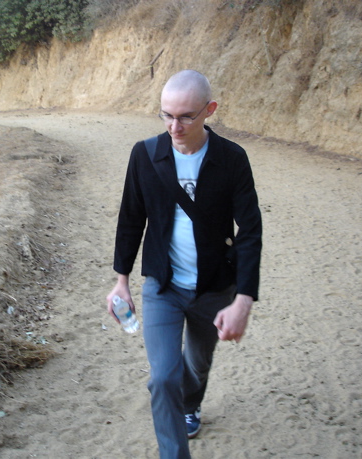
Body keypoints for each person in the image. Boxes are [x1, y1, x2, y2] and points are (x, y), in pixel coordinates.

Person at [106, 70, 262, 459]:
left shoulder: (231, 159)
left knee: (196, 365)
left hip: (214, 287)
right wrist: (121, 281)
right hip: (163, 285)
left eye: (186, 117)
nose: (174, 127)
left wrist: (243, 300)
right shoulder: (145, 155)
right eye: (167, 116)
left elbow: (250, 231)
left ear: (210, 110)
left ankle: (190, 404)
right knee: (163, 377)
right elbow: (131, 218)